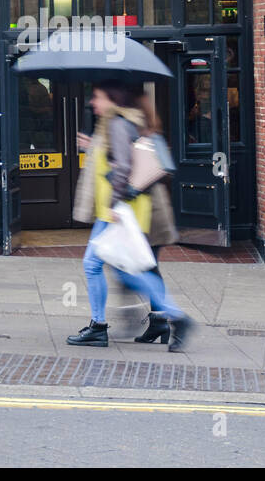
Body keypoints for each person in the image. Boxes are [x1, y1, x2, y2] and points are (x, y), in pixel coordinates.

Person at [67, 80, 191, 352]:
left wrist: (113, 204)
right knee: (124, 269)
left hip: (115, 209)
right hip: (118, 209)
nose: (92, 103)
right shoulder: (119, 123)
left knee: (100, 265)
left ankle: (101, 327)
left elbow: (122, 167)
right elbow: (117, 159)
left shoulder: (118, 123)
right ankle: (168, 317)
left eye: (97, 96)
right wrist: (94, 148)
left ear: (112, 97)